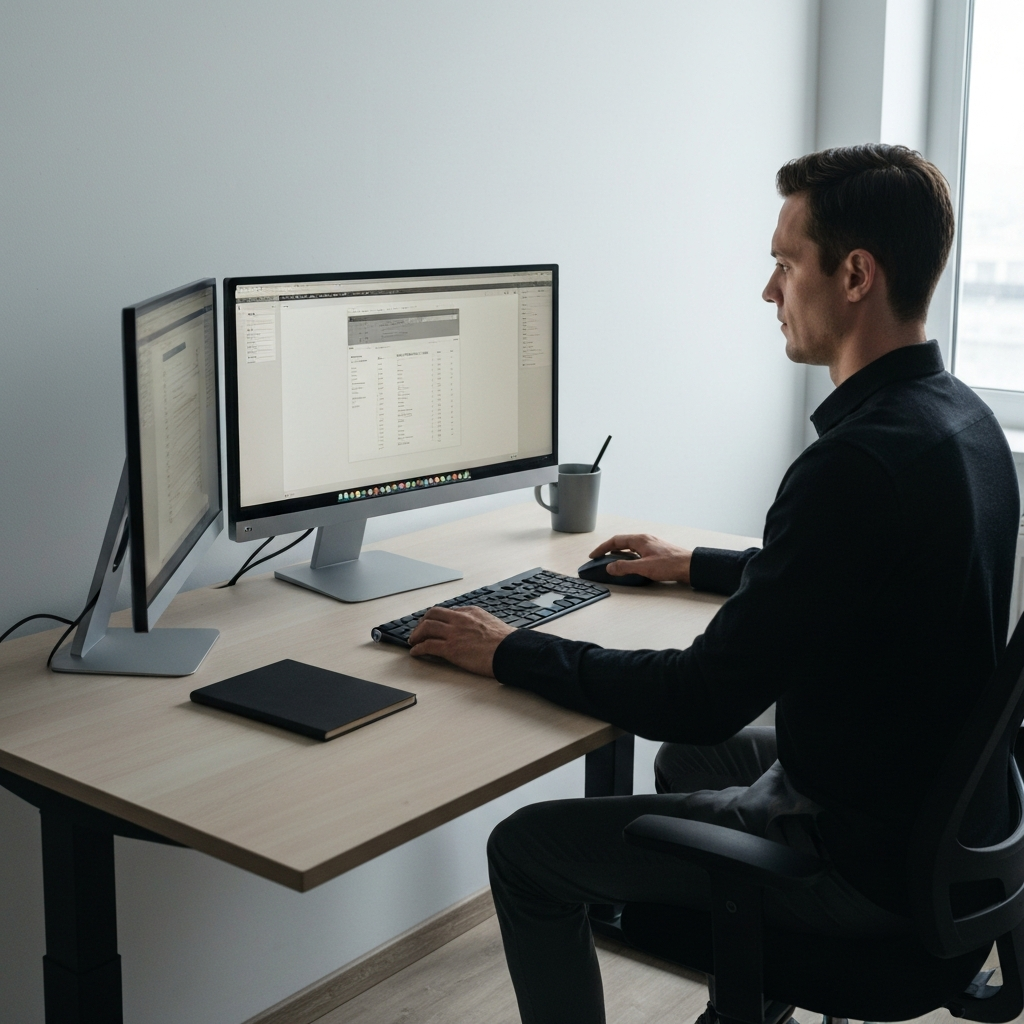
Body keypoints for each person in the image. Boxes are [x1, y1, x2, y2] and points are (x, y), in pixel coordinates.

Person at [408, 144, 1021, 1024]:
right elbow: (857, 576)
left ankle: (764, 958)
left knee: (527, 848)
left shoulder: (851, 466)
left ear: (854, 274)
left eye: (784, 262)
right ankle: (750, 1002)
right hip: (938, 817)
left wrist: (511, 649)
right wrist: (694, 564)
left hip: (863, 869)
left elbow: (701, 695)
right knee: (693, 767)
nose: (768, 291)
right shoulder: (960, 422)